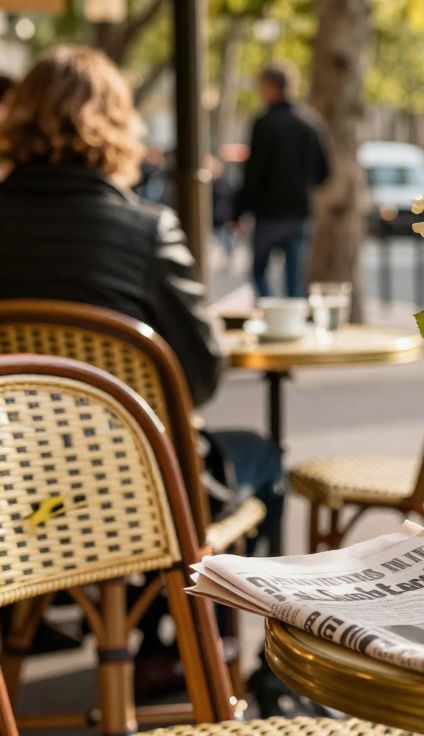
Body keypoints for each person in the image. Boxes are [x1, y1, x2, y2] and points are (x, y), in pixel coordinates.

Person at [0, 46, 287, 684]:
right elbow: (201, 378)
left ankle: (134, 624)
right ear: (116, 125)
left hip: (16, 494)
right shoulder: (145, 230)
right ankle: (191, 651)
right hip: (139, 495)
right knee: (262, 459)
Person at [237, 63, 330, 298]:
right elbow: (324, 173)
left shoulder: (264, 123)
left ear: (271, 87)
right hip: (299, 212)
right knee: (294, 281)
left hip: (269, 214)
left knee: (259, 271)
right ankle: (291, 324)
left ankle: (271, 315)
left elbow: (253, 173)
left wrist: (240, 210)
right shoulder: (310, 123)